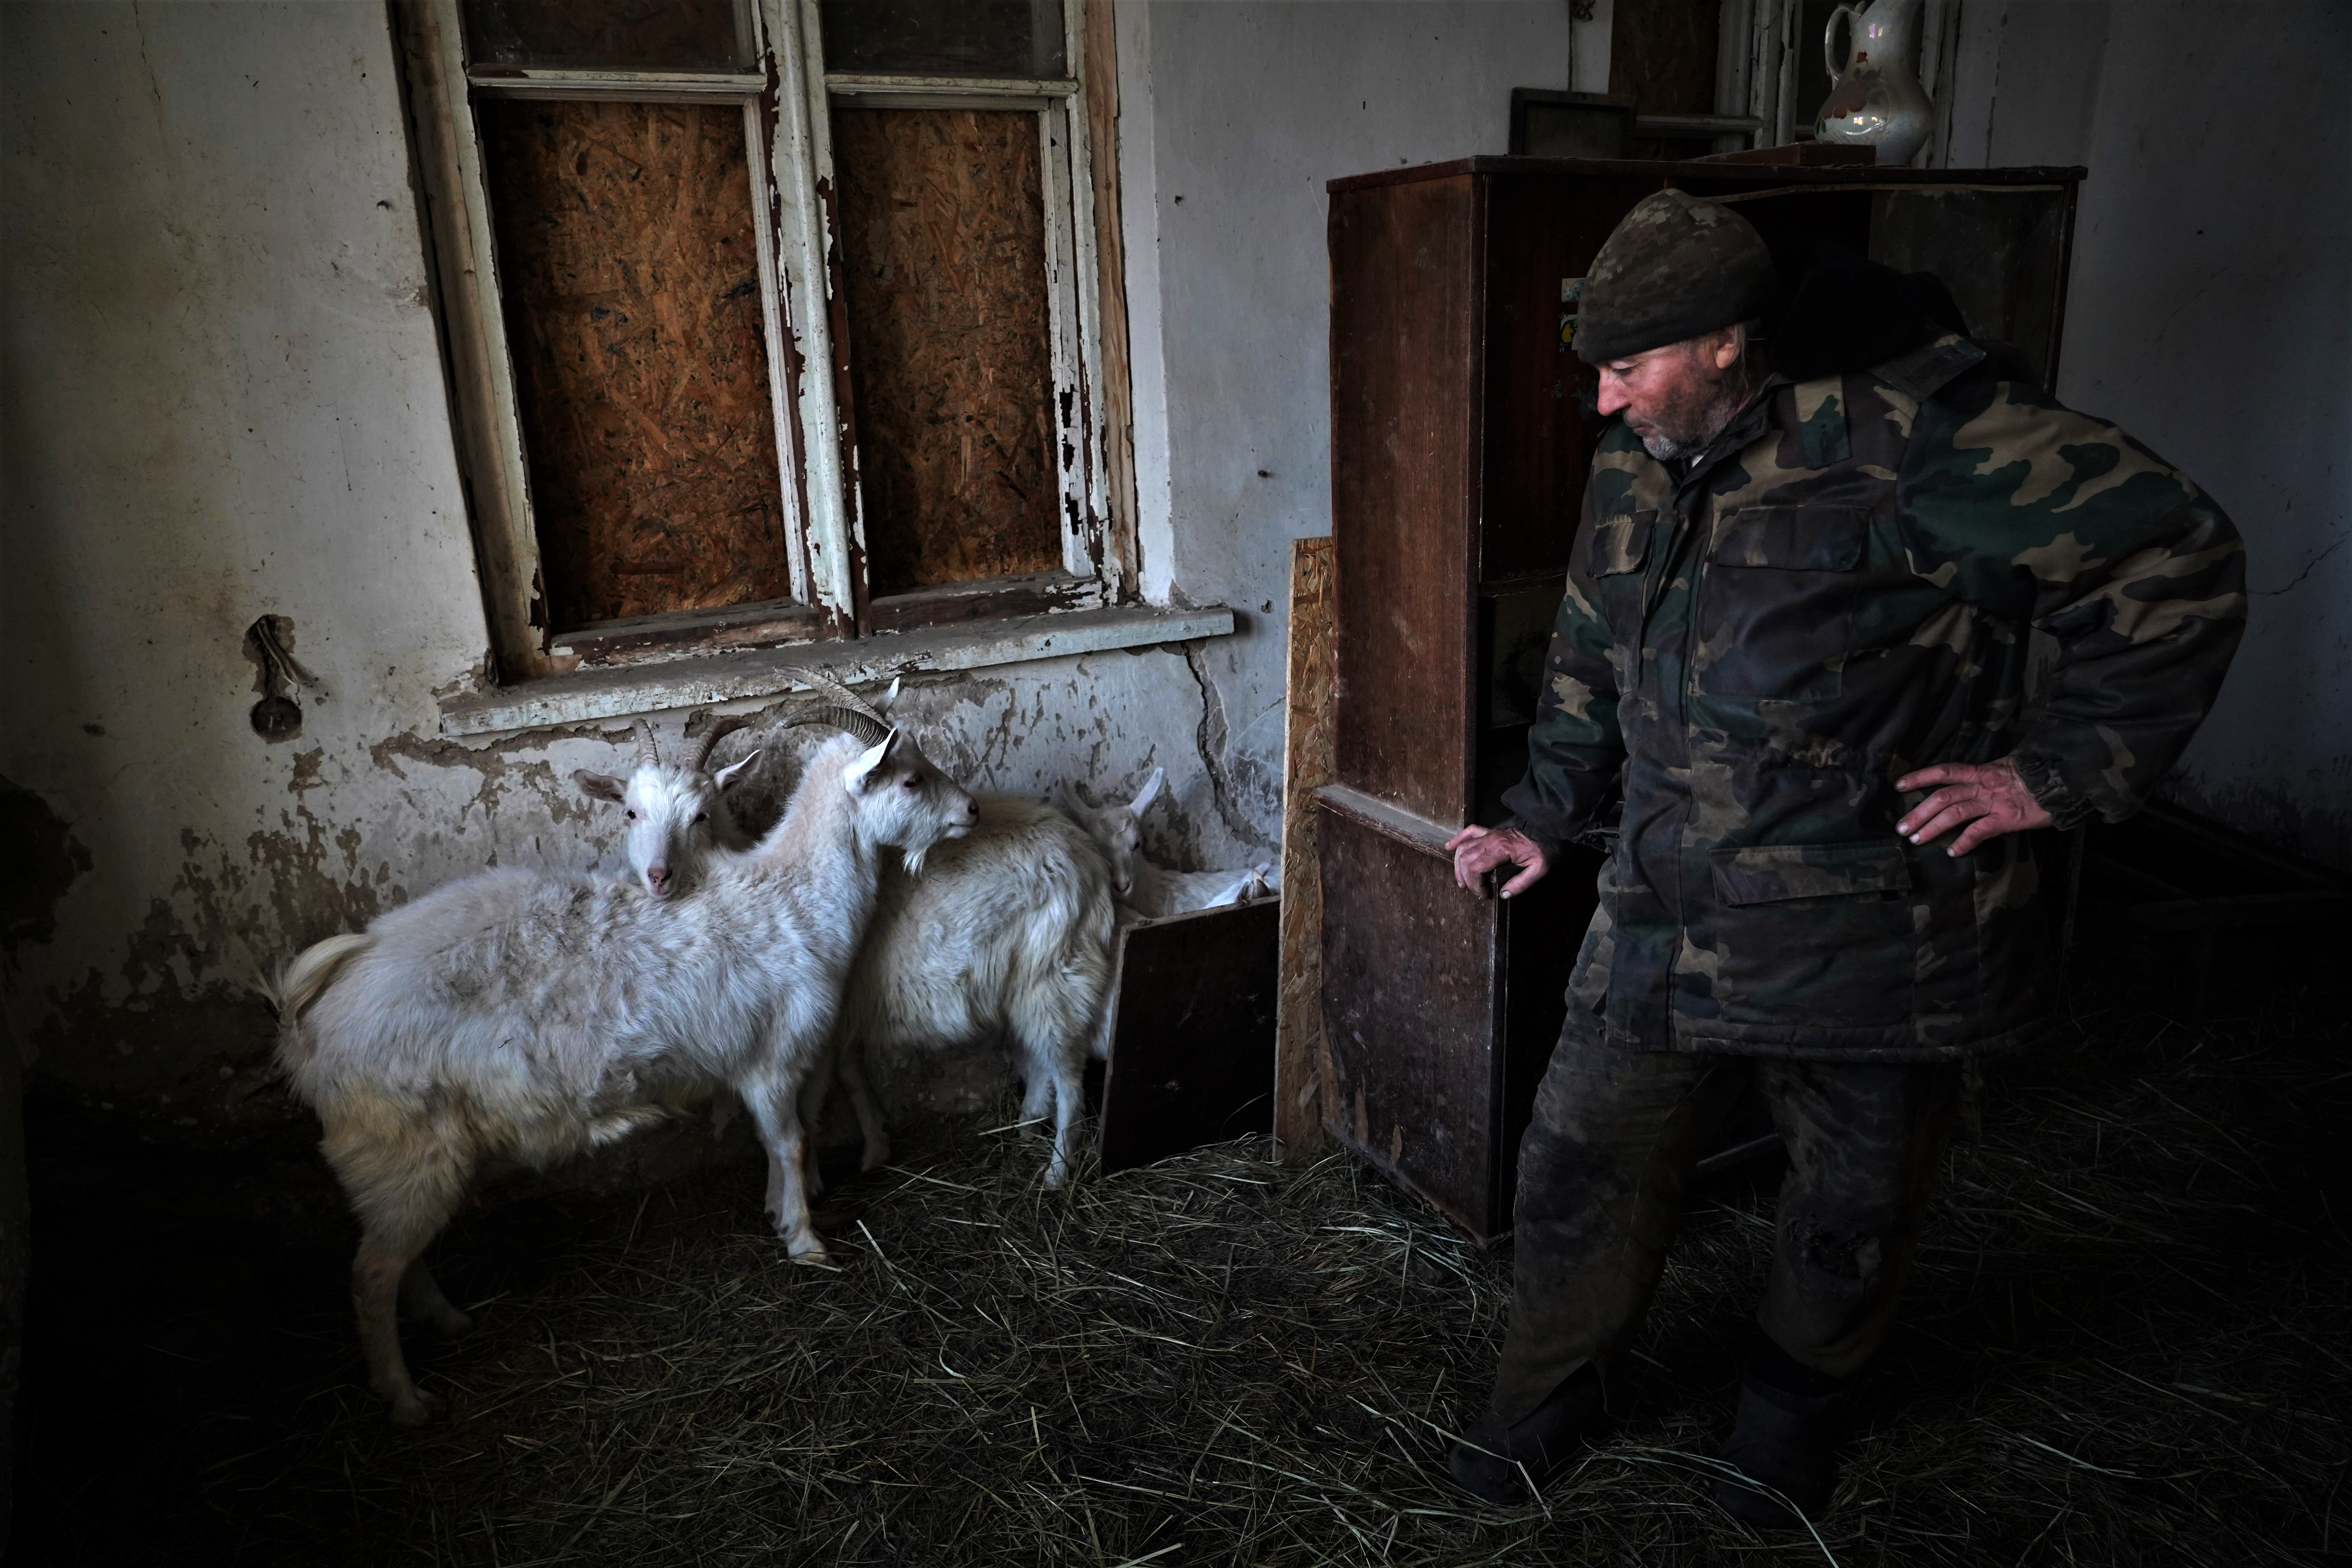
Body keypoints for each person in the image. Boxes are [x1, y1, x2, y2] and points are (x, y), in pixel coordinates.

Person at [1441, 189, 2246, 1524]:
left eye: (1628, 368)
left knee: (1853, 1202)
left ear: (1722, 344)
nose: (1602, 401)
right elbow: (1591, 646)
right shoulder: (1642, 452)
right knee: (1578, 1164)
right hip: (1662, 900)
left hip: (1873, 920)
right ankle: (1547, 1397)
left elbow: (2173, 552)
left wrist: (2056, 774)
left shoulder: (1924, 441)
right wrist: (1544, 809)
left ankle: (1790, 1419)